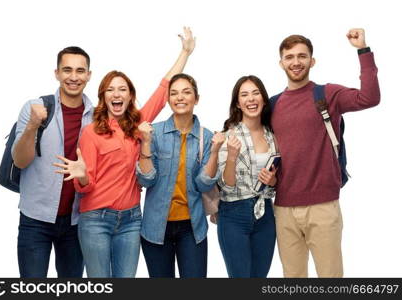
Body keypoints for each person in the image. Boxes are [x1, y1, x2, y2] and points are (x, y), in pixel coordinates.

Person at [53, 27, 196, 278]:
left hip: (131, 220)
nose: (116, 94)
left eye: (122, 89)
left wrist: (185, 52)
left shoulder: (137, 125)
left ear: (130, 96)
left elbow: (163, 92)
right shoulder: (91, 133)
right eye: (110, 89)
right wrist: (82, 175)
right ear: (103, 97)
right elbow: (84, 187)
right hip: (96, 220)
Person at [271, 28, 380, 277]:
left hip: (323, 206)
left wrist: (362, 50)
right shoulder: (273, 104)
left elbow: (369, 98)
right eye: (289, 57)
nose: (296, 62)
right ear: (281, 63)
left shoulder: (327, 94)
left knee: (330, 279)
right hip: (284, 208)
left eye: (302, 56)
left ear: (312, 60)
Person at [12, 46, 92, 277]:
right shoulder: (35, 108)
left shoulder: (96, 117)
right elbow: (20, 161)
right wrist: (32, 126)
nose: (74, 77)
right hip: (35, 220)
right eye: (67, 70)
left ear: (88, 75)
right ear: (57, 73)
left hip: (77, 222)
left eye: (80, 70)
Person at [136, 73, 225, 278]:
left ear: (197, 98)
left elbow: (203, 185)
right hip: (155, 227)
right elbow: (146, 179)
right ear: (168, 100)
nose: (180, 97)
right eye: (174, 93)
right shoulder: (154, 132)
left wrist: (214, 153)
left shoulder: (207, 136)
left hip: (192, 228)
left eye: (186, 92)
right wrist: (146, 143)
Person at [216, 75, 277, 278]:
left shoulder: (272, 135)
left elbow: (278, 180)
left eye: (255, 93)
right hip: (234, 214)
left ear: (264, 99)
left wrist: (273, 181)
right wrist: (232, 157)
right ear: (238, 104)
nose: (251, 99)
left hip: (266, 214)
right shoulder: (228, 136)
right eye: (244, 95)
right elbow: (227, 186)